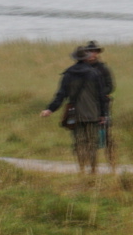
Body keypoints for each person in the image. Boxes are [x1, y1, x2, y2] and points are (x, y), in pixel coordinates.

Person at [41, 41, 115, 172]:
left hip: (75, 114)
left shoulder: (68, 74)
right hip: (93, 113)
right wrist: (103, 114)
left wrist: (50, 109)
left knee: (79, 142)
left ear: (75, 58)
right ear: (86, 57)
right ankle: (93, 170)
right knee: (92, 143)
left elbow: (61, 95)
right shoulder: (95, 73)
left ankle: (81, 169)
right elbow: (101, 96)